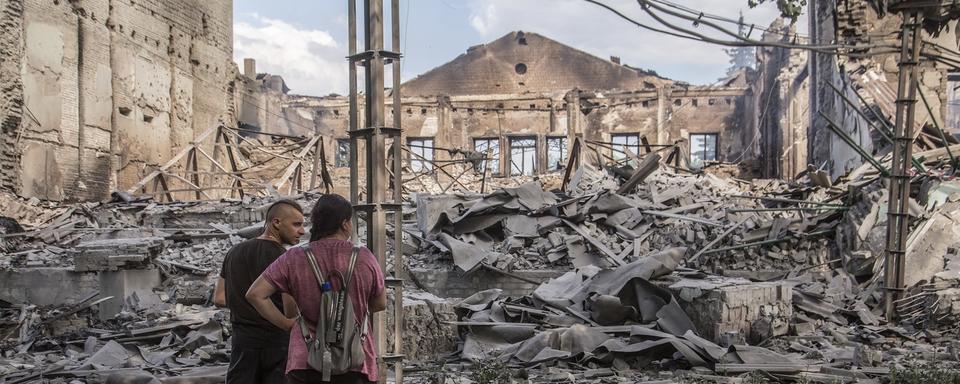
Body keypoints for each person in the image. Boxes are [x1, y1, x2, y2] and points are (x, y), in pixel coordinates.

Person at [246, 194, 387, 384]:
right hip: (356, 359)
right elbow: (379, 303)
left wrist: (287, 324)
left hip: (306, 361)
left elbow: (255, 294)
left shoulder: (293, 257)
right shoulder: (364, 257)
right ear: (345, 224)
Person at [214, 199, 305, 384]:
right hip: (276, 346)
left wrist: (245, 305)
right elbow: (290, 310)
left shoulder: (234, 252)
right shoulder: (285, 259)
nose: (302, 231)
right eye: (297, 224)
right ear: (276, 222)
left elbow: (219, 298)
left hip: (242, 344)